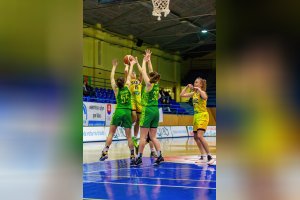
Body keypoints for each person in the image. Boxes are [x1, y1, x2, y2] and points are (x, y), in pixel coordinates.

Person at [99, 58, 136, 165]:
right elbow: (129, 75)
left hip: (119, 111)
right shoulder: (128, 86)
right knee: (129, 136)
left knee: (111, 133)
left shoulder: (116, 89)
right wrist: (132, 64)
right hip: (127, 112)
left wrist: (114, 66)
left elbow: (111, 77)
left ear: (117, 83)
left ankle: (105, 152)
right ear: (124, 82)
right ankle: (132, 155)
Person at [135, 50, 164, 166]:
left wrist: (143, 61)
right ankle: (160, 155)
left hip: (147, 110)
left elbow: (144, 71)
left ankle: (139, 158)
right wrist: (149, 60)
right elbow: (151, 72)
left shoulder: (149, 84)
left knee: (142, 137)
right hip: (156, 111)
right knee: (153, 136)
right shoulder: (156, 83)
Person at [180, 77, 215, 165]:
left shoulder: (201, 92)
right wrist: (187, 87)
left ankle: (210, 156)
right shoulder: (194, 93)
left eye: (196, 82)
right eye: (194, 82)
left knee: (200, 136)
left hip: (203, 115)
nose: (194, 83)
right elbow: (181, 95)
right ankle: (203, 156)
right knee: (195, 137)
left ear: (201, 84)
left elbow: (205, 96)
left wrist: (199, 89)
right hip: (196, 116)